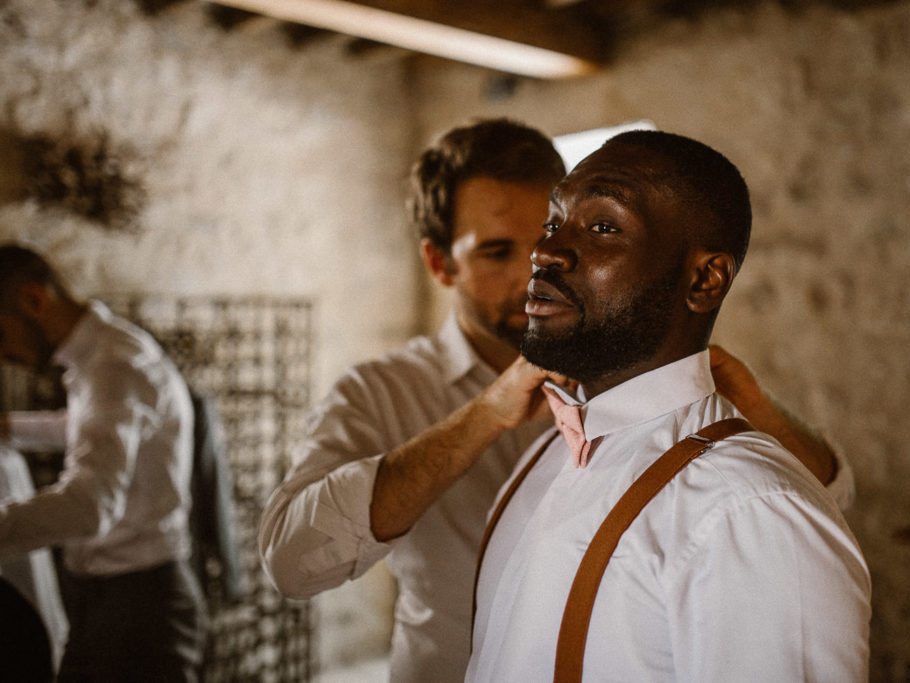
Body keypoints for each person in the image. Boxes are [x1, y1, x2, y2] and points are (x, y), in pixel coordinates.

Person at [257, 118, 853, 682]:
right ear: (440, 263)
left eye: (597, 227)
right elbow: (290, 558)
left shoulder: (741, 495)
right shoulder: (390, 397)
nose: (538, 261)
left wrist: (744, 418)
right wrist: (485, 416)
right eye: (498, 250)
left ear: (704, 280)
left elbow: (789, 507)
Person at [466, 130, 871, 681]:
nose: (544, 251)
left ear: (705, 279)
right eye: (553, 222)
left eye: (604, 226)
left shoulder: (752, 511)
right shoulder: (540, 458)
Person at [0, 244, 206, 682]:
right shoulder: (104, 356)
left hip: (141, 609)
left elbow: (89, 506)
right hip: (114, 599)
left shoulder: (114, 367)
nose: (3, 356)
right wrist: (8, 427)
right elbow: (84, 428)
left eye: (0, 335)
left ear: (34, 301)